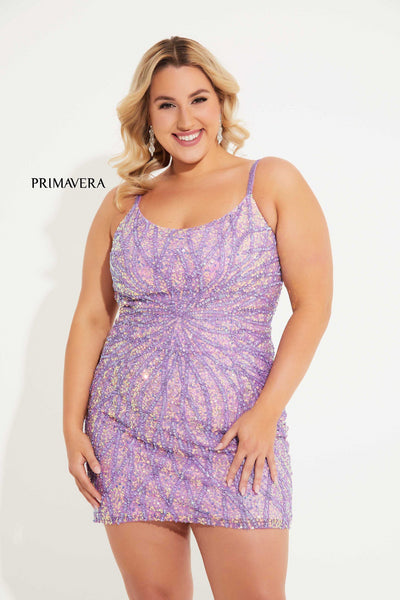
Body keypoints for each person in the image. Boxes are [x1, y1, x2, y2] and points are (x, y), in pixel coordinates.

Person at [63, 35, 333, 600]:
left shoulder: (272, 180)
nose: (185, 120)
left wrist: (266, 413)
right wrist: (71, 424)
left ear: (221, 103)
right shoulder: (123, 202)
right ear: (147, 116)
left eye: (199, 99)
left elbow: (313, 306)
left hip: (237, 434)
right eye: (166, 104)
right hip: (125, 432)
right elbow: (92, 315)